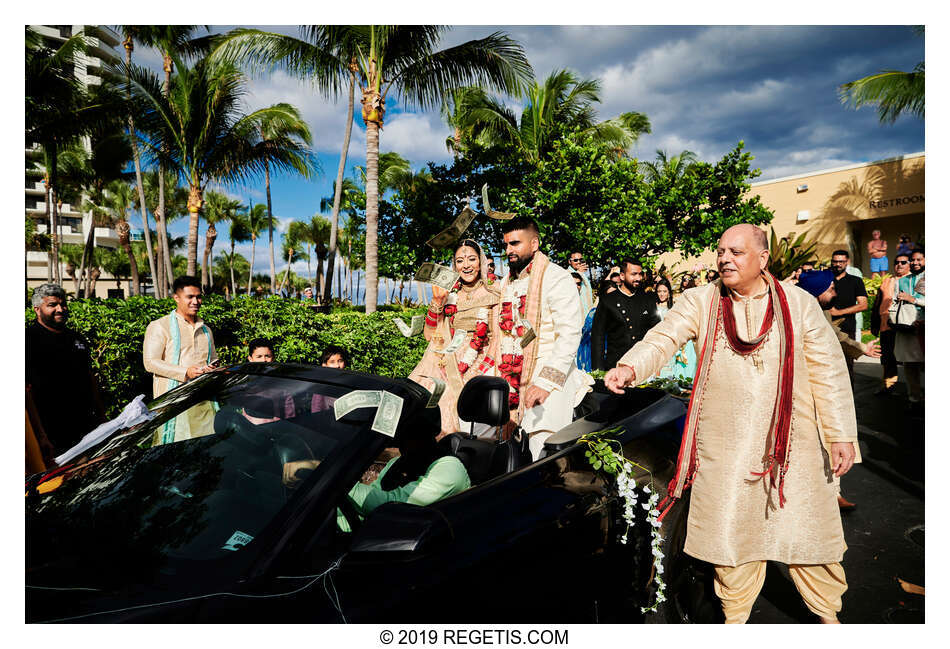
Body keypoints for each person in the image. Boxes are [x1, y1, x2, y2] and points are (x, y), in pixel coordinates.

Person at [604, 224, 859, 624]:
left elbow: (828, 371)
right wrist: (629, 367)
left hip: (794, 443)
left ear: (763, 259)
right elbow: (663, 338)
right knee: (730, 532)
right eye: (721, 251)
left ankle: (828, 616)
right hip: (725, 444)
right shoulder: (700, 300)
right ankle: (734, 618)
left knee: (807, 531)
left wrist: (841, 434)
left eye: (736, 252)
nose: (725, 259)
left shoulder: (798, 303)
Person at [494, 216, 590, 458]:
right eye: (506, 245)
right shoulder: (505, 283)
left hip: (549, 374)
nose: (509, 250)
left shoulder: (556, 277)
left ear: (535, 244)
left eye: (515, 243)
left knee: (540, 444)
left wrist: (545, 383)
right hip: (510, 372)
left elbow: (569, 334)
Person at [798, 269, 881, 511]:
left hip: (821, 390)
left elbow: (838, 338)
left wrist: (861, 349)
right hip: (804, 390)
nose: (834, 292)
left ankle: (833, 493)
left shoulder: (818, 310)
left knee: (829, 438)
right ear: (817, 292)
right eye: (831, 289)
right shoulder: (805, 311)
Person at [409, 239, 501, 436]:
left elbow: (497, 338)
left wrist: (477, 370)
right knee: (429, 395)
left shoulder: (495, 291)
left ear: (481, 262)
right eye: (460, 261)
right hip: (448, 358)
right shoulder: (450, 294)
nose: (466, 265)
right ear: (454, 265)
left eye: (471, 259)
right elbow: (429, 334)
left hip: (483, 358)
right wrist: (437, 302)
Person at [338, 408, 470, 532]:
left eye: (410, 434)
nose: (402, 445)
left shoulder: (449, 469)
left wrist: (341, 484)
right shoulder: (397, 462)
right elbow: (365, 507)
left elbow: (391, 506)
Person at [25, 283, 106, 459]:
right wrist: (41, 436)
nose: (60, 309)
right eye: (52, 305)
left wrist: (103, 420)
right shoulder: (28, 340)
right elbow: (25, 391)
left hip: (86, 430)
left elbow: (90, 379)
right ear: (37, 310)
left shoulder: (77, 338)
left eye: (63, 304)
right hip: (51, 435)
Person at [143, 275, 219, 444]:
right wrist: (186, 372)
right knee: (173, 456)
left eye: (198, 297)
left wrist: (213, 369)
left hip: (202, 403)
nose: (196, 301)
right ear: (176, 298)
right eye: (190, 297)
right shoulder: (160, 326)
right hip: (174, 405)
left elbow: (213, 360)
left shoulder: (206, 330)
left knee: (205, 452)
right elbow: (150, 362)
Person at [590, 259, 661, 372]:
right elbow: (598, 337)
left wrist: (658, 363)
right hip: (615, 366)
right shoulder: (608, 300)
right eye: (633, 274)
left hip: (642, 366)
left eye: (640, 274)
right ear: (622, 276)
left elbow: (656, 332)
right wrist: (598, 371)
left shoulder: (648, 299)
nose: (638, 278)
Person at [828, 250, 868, 380]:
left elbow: (863, 305)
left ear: (847, 262)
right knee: (827, 365)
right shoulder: (825, 279)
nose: (838, 264)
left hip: (847, 328)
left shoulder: (855, 281)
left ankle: (849, 397)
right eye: (835, 261)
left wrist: (839, 312)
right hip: (825, 327)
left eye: (841, 262)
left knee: (847, 364)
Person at [875, 253, 911, 394]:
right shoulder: (887, 281)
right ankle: (889, 386)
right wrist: (875, 323)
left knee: (910, 360)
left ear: (909, 264)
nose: (899, 265)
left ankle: (914, 392)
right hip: (886, 325)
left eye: (903, 262)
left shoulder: (913, 280)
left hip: (905, 325)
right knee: (887, 358)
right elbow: (879, 302)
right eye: (897, 262)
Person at [895, 249, 925, 410]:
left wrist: (912, 299)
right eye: (912, 260)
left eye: (919, 259)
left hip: (925, 328)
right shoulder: (903, 281)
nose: (915, 263)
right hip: (908, 329)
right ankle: (914, 399)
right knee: (910, 366)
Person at [568, 251, 595, 315]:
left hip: (588, 313)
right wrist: (579, 273)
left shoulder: (583, 274)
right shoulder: (567, 274)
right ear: (569, 262)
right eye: (575, 260)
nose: (579, 262)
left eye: (581, 260)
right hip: (577, 315)